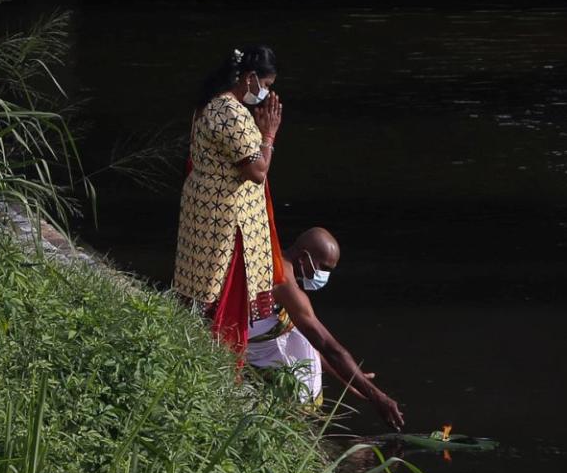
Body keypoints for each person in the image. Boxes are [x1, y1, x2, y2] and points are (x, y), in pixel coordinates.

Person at [172, 45, 285, 352]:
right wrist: (269, 135)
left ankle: (194, 348)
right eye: (267, 86)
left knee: (200, 286)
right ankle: (215, 358)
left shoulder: (214, 104)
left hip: (207, 209)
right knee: (220, 292)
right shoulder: (230, 113)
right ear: (250, 78)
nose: (266, 93)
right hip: (227, 220)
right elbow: (257, 171)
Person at [247, 228, 405, 431]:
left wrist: (348, 376)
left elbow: (314, 344)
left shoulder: (277, 260)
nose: (324, 276)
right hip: (246, 344)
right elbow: (329, 347)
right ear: (304, 258)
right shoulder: (284, 282)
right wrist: (378, 397)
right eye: (324, 268)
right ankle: (287, 428)